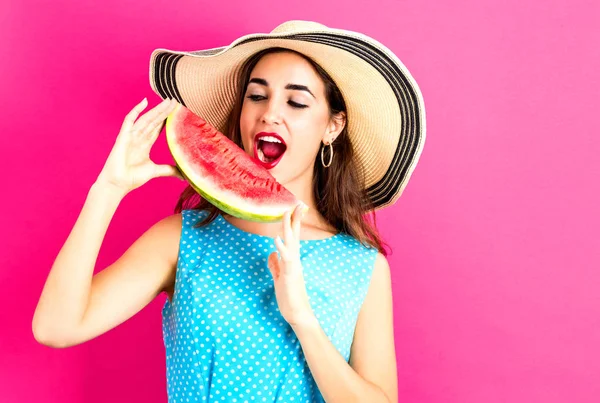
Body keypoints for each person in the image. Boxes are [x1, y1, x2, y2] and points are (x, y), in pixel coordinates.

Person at [32, 20, 426, 403]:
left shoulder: (362, 266)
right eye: (257, 96)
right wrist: (107, 191)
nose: (270, 113)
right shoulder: (183, 238)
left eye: (296, 101)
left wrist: (303, 319)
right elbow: (56, 327)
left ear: (333, 127)